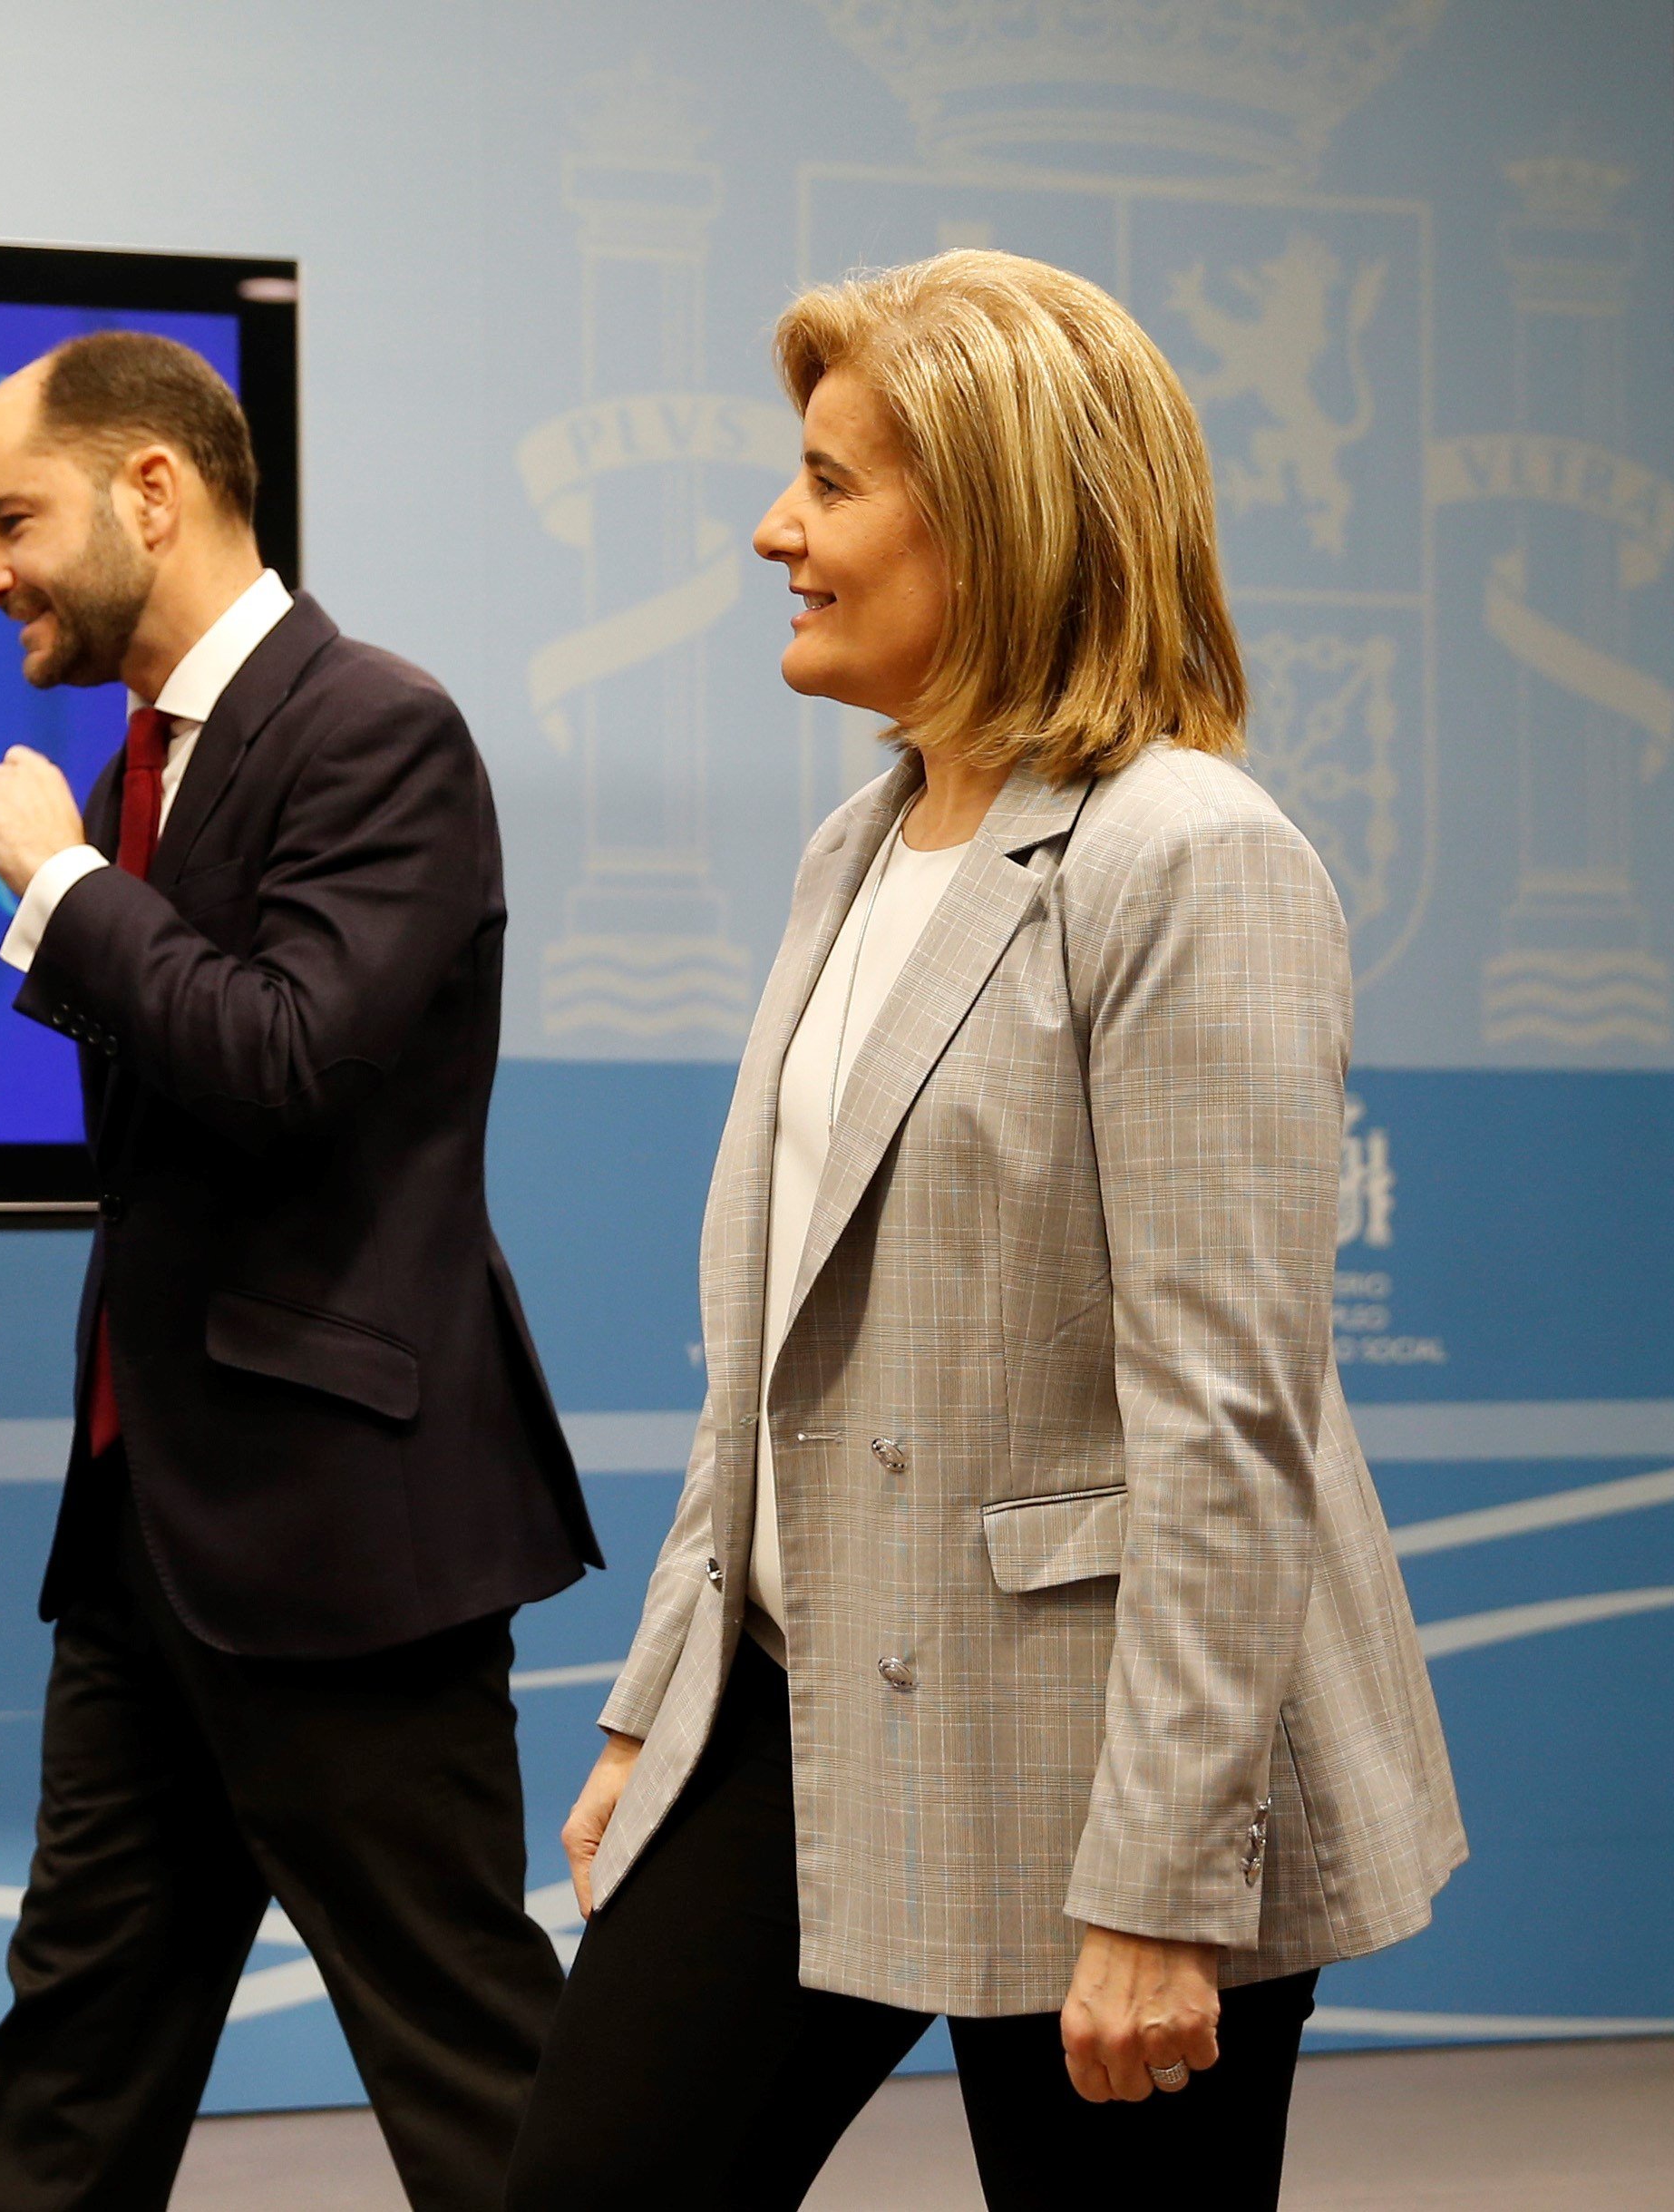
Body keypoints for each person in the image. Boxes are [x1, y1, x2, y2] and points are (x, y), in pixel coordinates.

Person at [501, 249, 1465, 2212]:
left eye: (835, 485)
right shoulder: (856, 845)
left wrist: (1165, 1884)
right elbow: (783, 1349)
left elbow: (1226, 1418)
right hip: (798, 1690)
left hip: (1104, 1745)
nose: (778, 529)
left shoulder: (1191, 855)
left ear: (1008, 525)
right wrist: (658, 1704)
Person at [0, 332, 600, 2212]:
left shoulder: (376, 725)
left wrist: (62, 889)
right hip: (150, 1536)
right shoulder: (149, 757)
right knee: (72, 2054)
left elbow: (294, 1058)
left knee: (467, 2063)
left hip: (342, 1535)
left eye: (11, 521)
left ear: (153, 489)